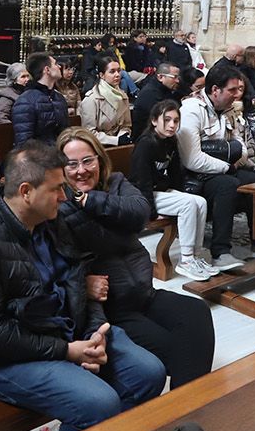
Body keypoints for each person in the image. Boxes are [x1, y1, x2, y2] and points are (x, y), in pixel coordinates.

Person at [0, 142, 166, 431]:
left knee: (148, 374)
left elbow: (81, 277)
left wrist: (94, 332)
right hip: (6, 358)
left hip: (67, 333)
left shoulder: (52, 221)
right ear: (26, 192)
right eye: (56, 189)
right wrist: (67, 351)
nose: (64, 196)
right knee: (99, 403)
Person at [56, 128, 216, 385]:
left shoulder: (116, 182)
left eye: (88, 160)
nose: (81, 170)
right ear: (61, 169)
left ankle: (187, 406)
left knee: (196, 310)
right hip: (112, 308)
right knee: (175, 349)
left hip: (143, 292)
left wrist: (90, 200)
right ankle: (186, 411)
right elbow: (62, 261)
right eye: (71, 164)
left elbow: (141, 211)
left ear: (99, 159)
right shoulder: (60, 205)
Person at [178, 61, 255, 270]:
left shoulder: (226, 110)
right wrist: (228, 166)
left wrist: (232, 160)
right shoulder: (192, 109)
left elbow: (240, 147)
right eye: (231, 90)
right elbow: (192, 159)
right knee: (227, 185)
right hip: (194, 176)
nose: (237, 95)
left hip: (220, 168)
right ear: (215, 90)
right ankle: (220, 252)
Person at [128, 100, 217, 282]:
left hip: (161, 191)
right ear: (154, 121)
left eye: (176, 121)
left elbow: (176, 175)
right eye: (167, 120)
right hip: (141, 196)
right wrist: (150, 213)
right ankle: (185, 260)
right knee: (187, 204)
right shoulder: (145, 144)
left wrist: (179, 193)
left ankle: (195, 255)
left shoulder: (170, 141)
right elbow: (141, 181)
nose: (172, 125)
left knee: (199, 201)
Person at [13, 51, 69, 145]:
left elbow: (65, 132)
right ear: (47, 70)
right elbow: (24, 142)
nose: (59, 67)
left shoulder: (58, 98)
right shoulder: (26, 101)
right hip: (39, 156)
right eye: (55, 64)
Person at [78, 53, 133, 146]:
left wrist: (122, 136)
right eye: (112, 71)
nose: (117, 75)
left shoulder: (122, 96)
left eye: (119, 71)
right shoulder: (91, 99)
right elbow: (89, 133)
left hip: (120, 145)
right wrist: (115, 141)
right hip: (99, 146)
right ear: (102, 75)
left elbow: (126, 125)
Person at [131, 61, 182, 126]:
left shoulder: (167, 90)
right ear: (160, 77)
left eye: (178, 77)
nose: (177, 81)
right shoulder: (150, 94)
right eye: (174, 77)